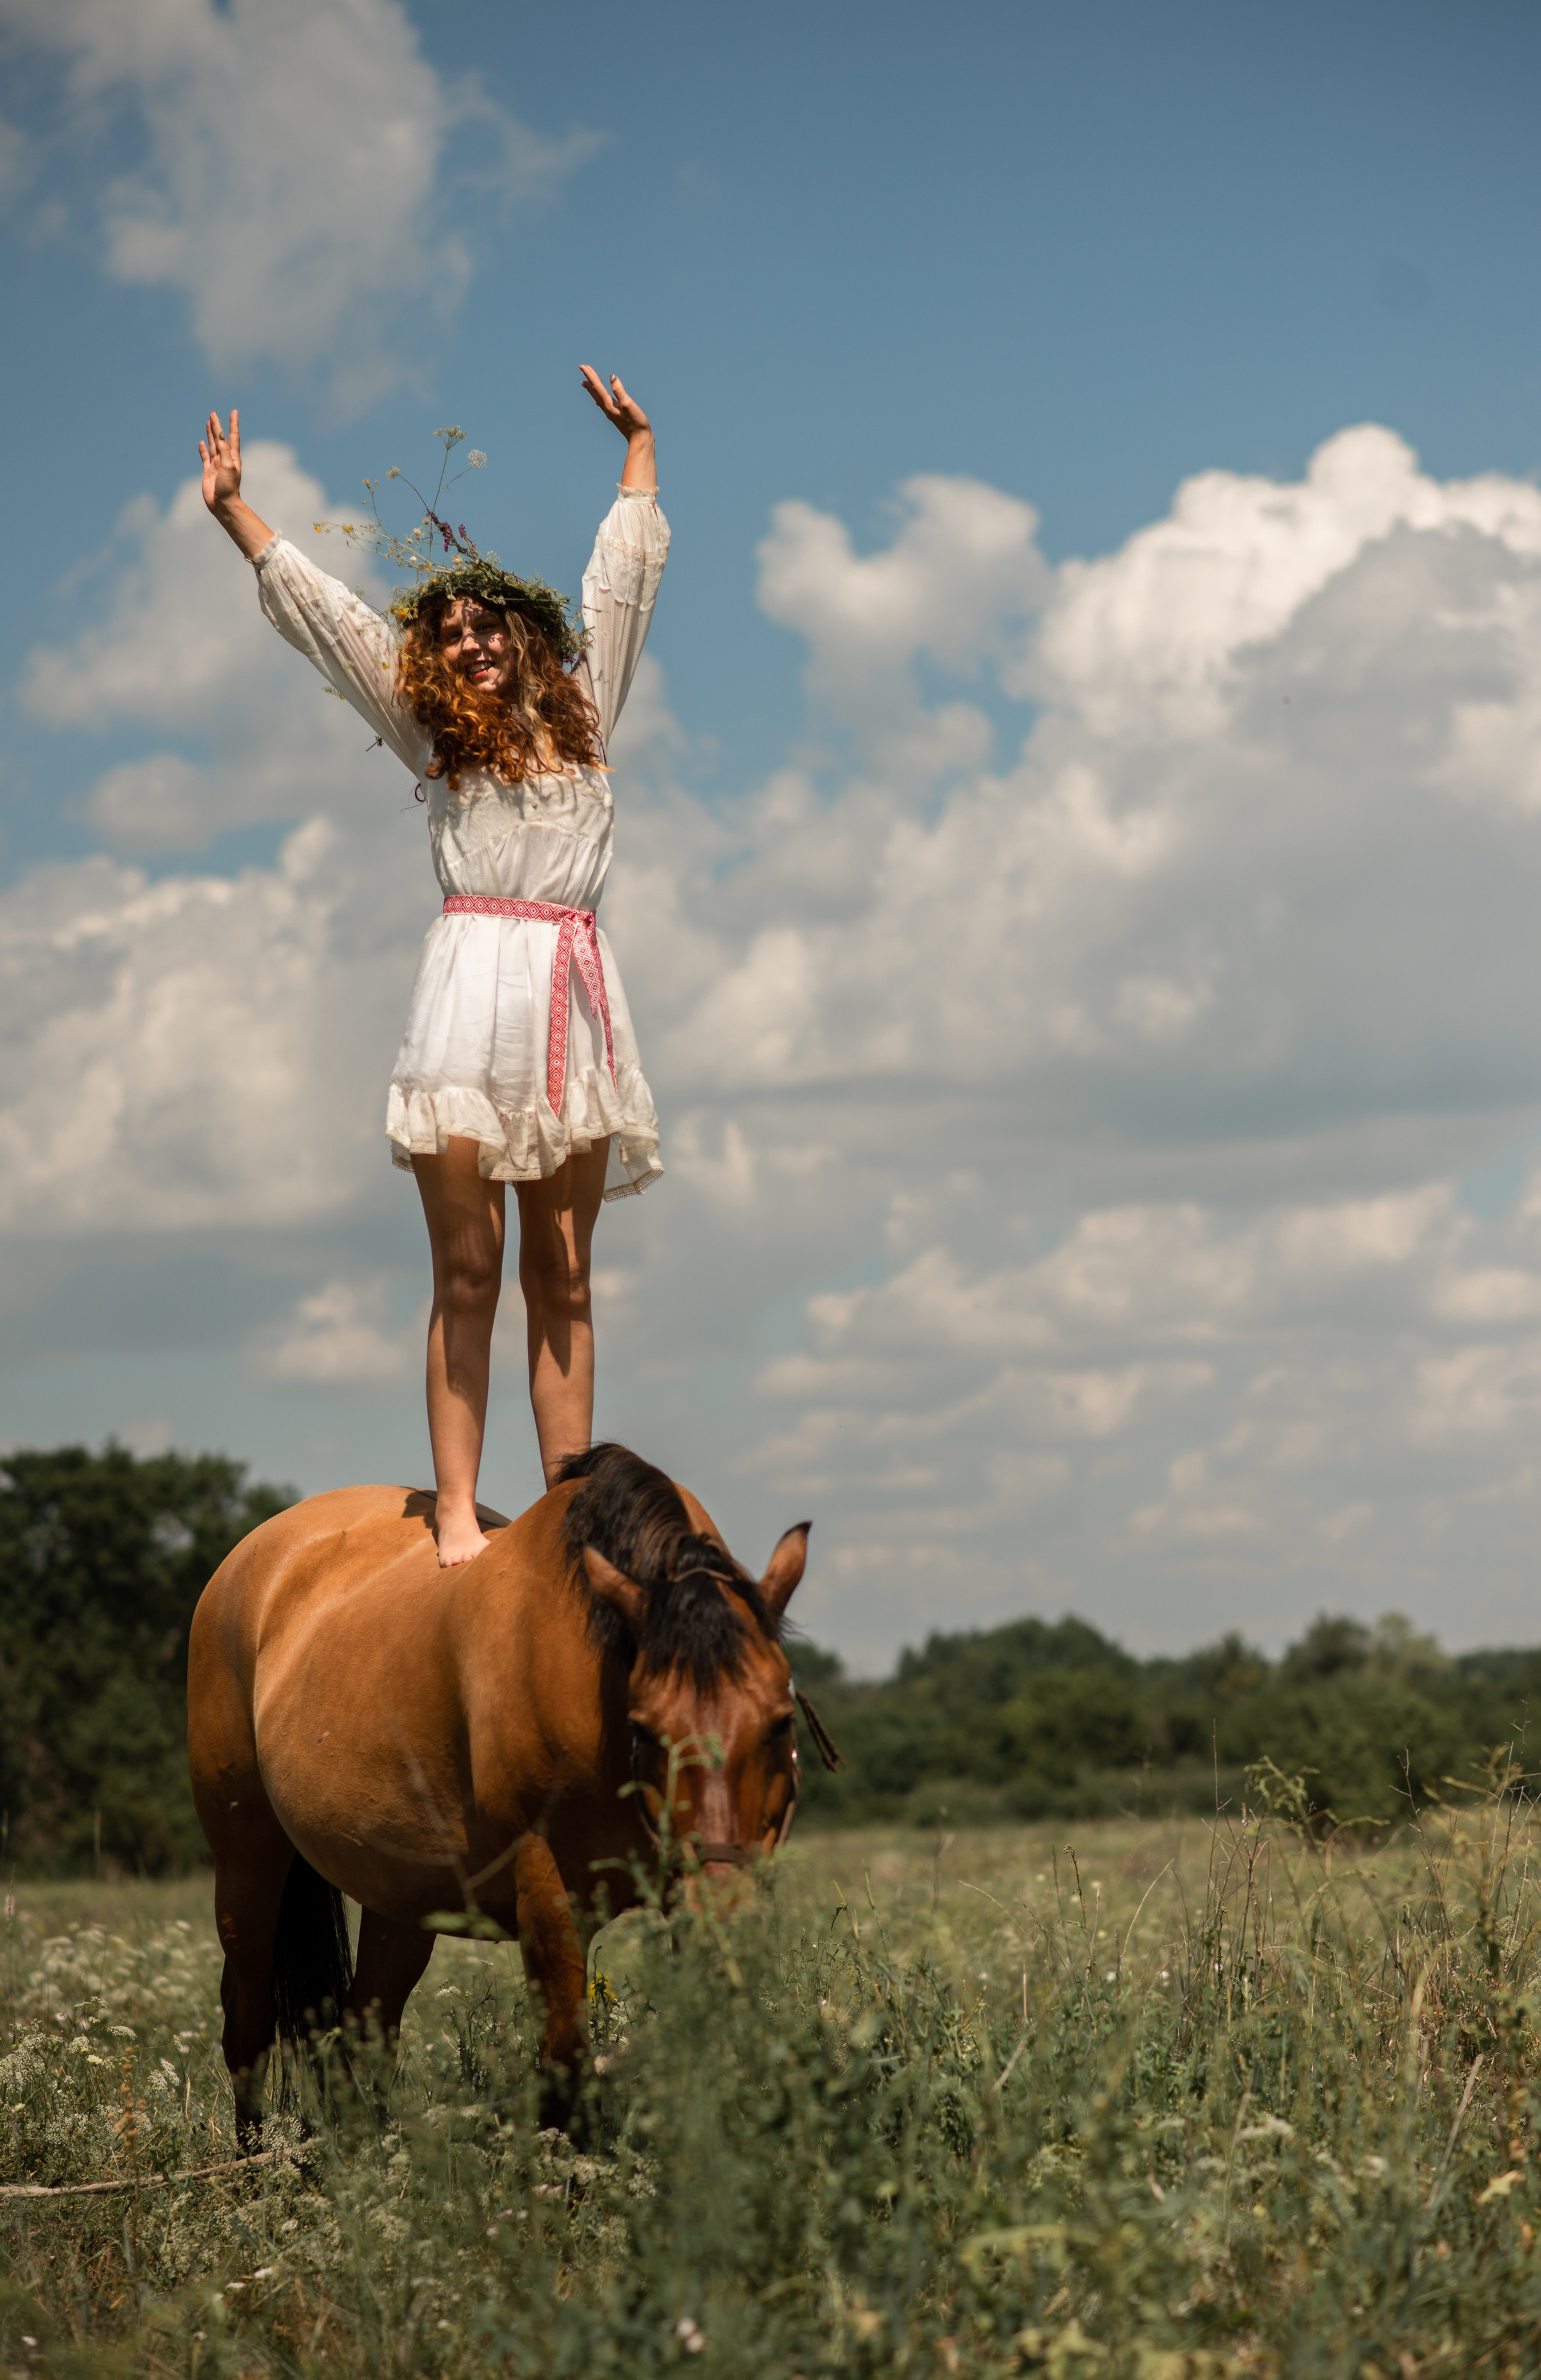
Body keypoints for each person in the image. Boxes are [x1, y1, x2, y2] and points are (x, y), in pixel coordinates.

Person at [200, 377, 668, 1565]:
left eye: (482, 625)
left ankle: (568, 1511)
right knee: (471, 1268)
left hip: (570, 1000)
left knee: (563, 1279)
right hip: (470, 1007)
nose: (464, 641)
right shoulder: (431, 742)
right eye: (446, 633)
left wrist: (639, 458)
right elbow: (334, 621)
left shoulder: (589, 716)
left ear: (520, 633)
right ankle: (458, 1511)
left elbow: (621, 585)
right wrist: (239, 518)